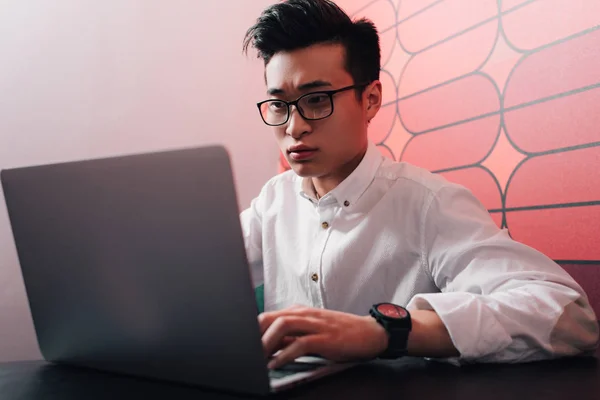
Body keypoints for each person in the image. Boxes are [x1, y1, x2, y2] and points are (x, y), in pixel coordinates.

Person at [240, 0, 599, 370]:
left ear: (371, 100)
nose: (294, 127)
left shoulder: (429, 204)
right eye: (279, 104)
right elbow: (198, 275)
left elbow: (568, 315)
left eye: (317, 100)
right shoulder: (273, 201)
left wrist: (382, 333)